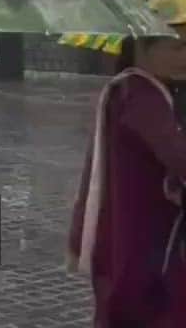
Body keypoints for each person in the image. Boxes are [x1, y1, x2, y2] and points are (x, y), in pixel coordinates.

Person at [68, 26, 186, 328]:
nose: (185, 57)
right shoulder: (141, 95)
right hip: (141, 237)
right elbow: (177, 155)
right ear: (142, 48)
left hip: (130, 230)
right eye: (177, 48)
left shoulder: (133, 89)